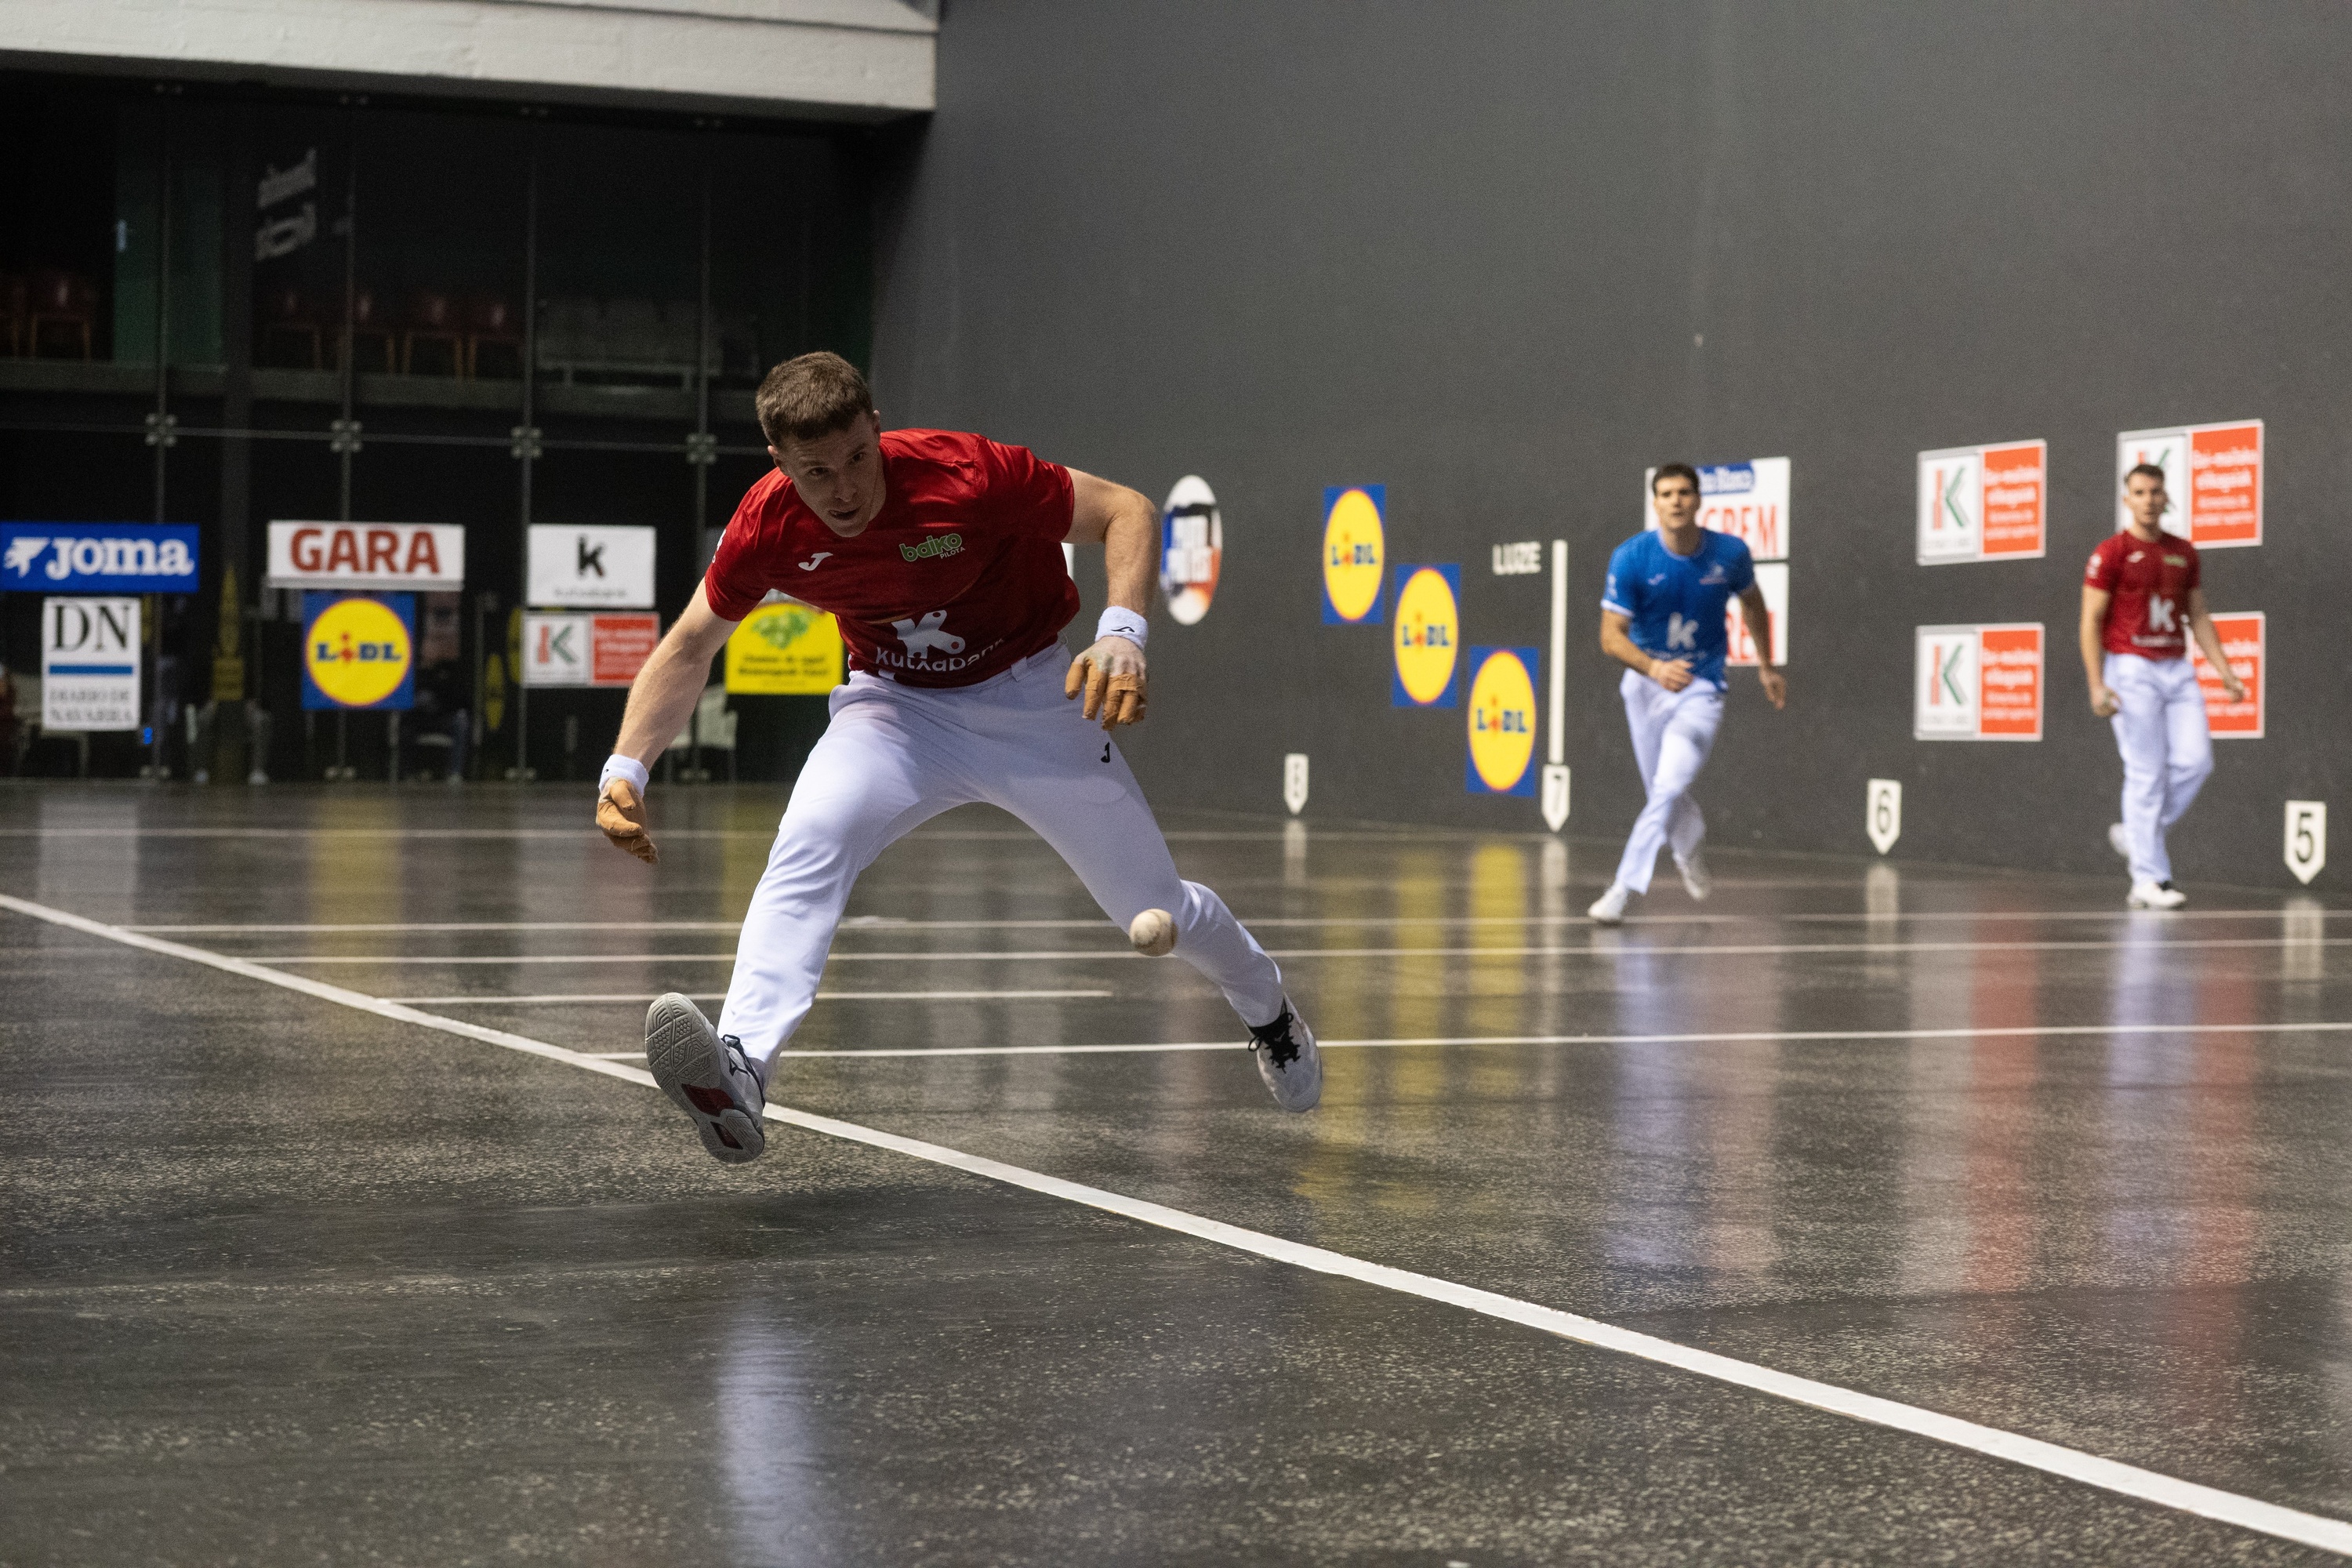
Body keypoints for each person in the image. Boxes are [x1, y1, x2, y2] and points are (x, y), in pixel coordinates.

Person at [591, 352, 1319, 1163]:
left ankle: (1271, 1012)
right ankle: (741, 1070)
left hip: (1032, 699)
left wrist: (1124, 632)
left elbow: (1128, 510)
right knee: (811, 838)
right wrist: (625, 768)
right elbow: (692, 644)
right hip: (894, 708)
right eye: (817, 471)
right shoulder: (768, 524)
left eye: (858, 457)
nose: (845, 489)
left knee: (1160, 910)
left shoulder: (966, 473)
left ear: (877, 428)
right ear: (780, 464)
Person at [1587, 463, 1788, 926]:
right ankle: (1690, 844)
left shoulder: (1730, 554)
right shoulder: (1631, 558)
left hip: (1701, 687)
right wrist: (1654, 667)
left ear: (1698, 501)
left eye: (1684, 493)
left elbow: (1754, 604)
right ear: (1655, 503)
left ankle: (1623, 888)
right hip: (1645, 686)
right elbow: (1610, 637)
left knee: (1669, 785)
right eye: (1665, 494)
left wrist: (1765, 665)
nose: (1675, 501)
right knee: (1660, 790)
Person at [2081, 463, 2245, 909]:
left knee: (2196, 761)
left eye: (2156, 491)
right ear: (2126, 499)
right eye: (2140, 492)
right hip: (2131, 668)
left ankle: (2136, 836)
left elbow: (2199, 615)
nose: (2149, 499)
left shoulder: (2184, 553)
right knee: (2146, 773)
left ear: (2165, 496)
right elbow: (2090, 621)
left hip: (2177, 668)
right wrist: (2098, 685)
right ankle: (2149, 880)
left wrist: (2225, 671)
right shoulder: (2111, 553)